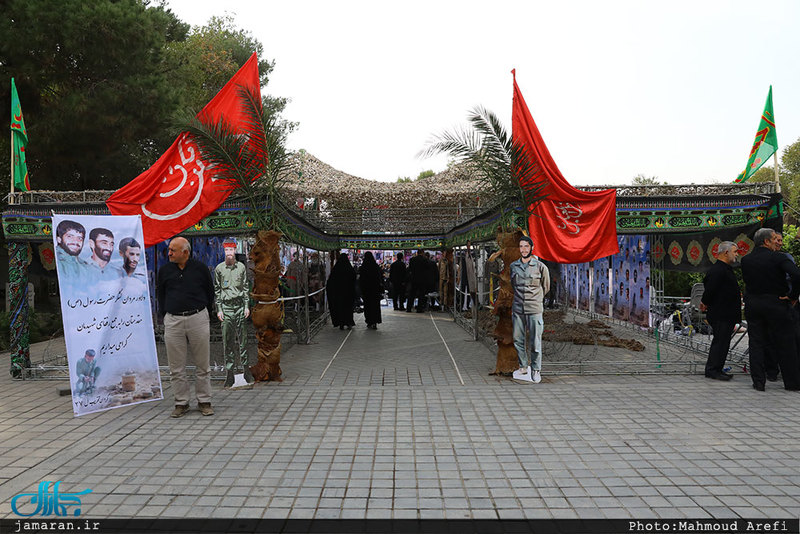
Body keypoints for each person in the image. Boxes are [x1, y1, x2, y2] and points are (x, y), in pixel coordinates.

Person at [157, 237, 215, 417]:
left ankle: (204, 401)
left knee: (202, 364)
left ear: (185, 252)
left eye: (173, 250)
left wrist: (206, 314)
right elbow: (160, 293)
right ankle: (181, 402)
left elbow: (209, 292)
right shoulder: (165, 270)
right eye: (169, 250)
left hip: (197, 317)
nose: (169, 253)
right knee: (176, 367)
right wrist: (165, 314)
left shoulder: (200, 269)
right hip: (174, 320)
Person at [740, 228, 800, 391]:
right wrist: (793, 295)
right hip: (776, 303)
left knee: (756, 343)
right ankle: (792, 382)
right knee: (785, 342)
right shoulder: (778, 258)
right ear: (766, 241)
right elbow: (796, 274)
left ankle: (759, 382)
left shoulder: (746, 260)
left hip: (753, 303)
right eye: (774, 238)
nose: (776, 242)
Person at [510, 236, 550, 384]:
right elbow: (514, 285)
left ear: (531, 248)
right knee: (517, 338)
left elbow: (546, 287)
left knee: (535, 341)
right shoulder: (514, 266)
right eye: (521, 246)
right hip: (518, 307)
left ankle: (536, 369)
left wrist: (536, 299)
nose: (524, 249)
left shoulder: (540, 267)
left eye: (526, 246)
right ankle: (523, 367)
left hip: (534, 308)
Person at [700, 241, 740, 381]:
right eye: (734, 251)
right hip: (720, 313)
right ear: (726, 252)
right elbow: (710, 290)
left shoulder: (726, 269)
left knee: (723, 343)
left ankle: (717, 368)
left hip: (726, 313)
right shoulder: (718, 270)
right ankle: (712, 369)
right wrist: (704, 302)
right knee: (720, 342)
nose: (736, 255)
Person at [214, 239, 251, 387]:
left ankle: (246, 371)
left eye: (231, 250)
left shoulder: (241, 267)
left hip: (240, 307)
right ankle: (230, 374)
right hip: (227, 308)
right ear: (224, 252)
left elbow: (246, 287)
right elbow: (217, 290)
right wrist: (219, 309)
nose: (229, 253)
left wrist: (247, 306)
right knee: (227, 342)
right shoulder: (219, 269)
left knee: (243, 341)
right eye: (227, 251)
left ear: (235, 250)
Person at [327, 253, 356, 330]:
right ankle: (349, 322)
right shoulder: (350, 269)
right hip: (348, 293)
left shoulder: (336, 269)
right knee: (348, 308)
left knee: (340, 308)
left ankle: (341, 323)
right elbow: (354, 280)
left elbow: (331, 282)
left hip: (338, 293)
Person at [359, 251, 383, 330]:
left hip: (366, 290)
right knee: (375, 306)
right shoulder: (375, 266)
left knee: (368, 306)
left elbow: (361, 280)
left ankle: (369, 321)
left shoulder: (363, 267)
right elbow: (379, 278)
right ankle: (375, 321)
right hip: (375, 290)